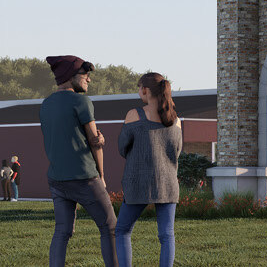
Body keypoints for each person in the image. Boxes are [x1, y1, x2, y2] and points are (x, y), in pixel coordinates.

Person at [40, 55, 116, 267]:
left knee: (62, 232)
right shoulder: (81, 101)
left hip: (56, 179)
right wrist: (101, 176)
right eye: (85, 74)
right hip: (84, 177)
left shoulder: (46, 104)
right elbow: (94, 143)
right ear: (70, 76)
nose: (88, 79)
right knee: (110, 226)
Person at [115, 72, 183, 267]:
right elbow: (176, 152)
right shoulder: (176, 120)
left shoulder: (134, 115)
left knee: (123, 231)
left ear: (145, 90)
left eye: (139, 88)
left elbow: (122, 148)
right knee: (166, 235)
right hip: (168, 184)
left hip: (138, 183)